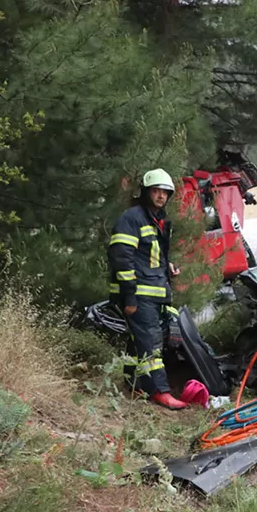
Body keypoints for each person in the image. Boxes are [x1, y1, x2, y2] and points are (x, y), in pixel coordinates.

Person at [108, 168, 186, 410]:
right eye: (156, 191)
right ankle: (159, 391)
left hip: (153, 293)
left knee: (137, 342)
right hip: (139, 295)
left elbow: (153, 254)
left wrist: (168, 266)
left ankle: (134, 383)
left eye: (165, 192)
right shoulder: (131, 218)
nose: (161, 196)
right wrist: (129, 297)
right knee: (152, 343)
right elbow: (122, 259)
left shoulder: (160, 220)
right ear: (146, 192)